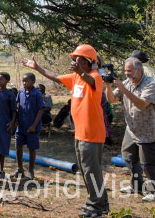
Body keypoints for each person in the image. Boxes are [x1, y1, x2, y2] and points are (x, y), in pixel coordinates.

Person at [22, 45, 109, 218]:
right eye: (75, 59)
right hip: (80, 132)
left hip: (91, 133)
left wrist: (80, 71)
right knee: (87, 170)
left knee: (91, 170)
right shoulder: (76, 77)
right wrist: (37, 68)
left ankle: (96, 207)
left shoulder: (95, 76)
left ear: (88, 62)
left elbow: (91, 82)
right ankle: (101, 203)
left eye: (79, 60)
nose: (75, 62)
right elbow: (56, 76)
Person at [105, 57, 155, 201]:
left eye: (129, 71)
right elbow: (112, 100)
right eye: (125, 71)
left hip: (148, 130)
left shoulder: (151, 84)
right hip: (132, 128)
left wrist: (123, 89)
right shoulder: (126, 83)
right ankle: (137, 185)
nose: (126, 74)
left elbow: (142, 104)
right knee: (128, 157)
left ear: (139, 70)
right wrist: (107, 86)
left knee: (149, 163)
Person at [131, 49, 155, 176]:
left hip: (146, 110)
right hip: (152, 108)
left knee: (150, 141)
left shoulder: (142, 71)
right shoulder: (151, 70)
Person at [14, 73, 45, 180]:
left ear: (33, 82)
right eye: (23, 81)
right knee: (18, 147)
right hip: (21, 126)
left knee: (32, 149)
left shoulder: (37, 94)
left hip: (32, 127)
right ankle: (20, 169)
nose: (24, 83)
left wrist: (34, 126)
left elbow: (40, 110)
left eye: (26, 81)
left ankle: (31, 170)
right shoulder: (20, 92)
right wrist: (16, 120)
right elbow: (18, 106)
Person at [0, 72, 17, 179]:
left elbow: (14, 110)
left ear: (7, 81)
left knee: (3, 146)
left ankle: (1, 170)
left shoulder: (10, 94)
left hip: (4, 123)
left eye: (1, 79)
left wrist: (12, 122)